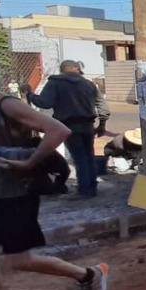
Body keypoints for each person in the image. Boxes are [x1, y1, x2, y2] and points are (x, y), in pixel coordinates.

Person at [0, 54, 109, 290]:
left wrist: (31, 161)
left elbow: (58, 129)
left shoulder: (5, 104)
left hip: (14, 193)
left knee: (19, 260)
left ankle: (88, 274)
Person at [22, 60, 110, 199]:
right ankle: (91, 188)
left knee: (79, 158)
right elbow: (103, 108)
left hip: (68, 125)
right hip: (88, 125)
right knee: (88, 156)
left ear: (63, 70)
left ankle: (84, 191)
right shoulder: (89, 84)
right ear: (77, 69)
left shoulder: (55, 83)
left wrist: (29, 94)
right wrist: (102, 125)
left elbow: (44, 103)